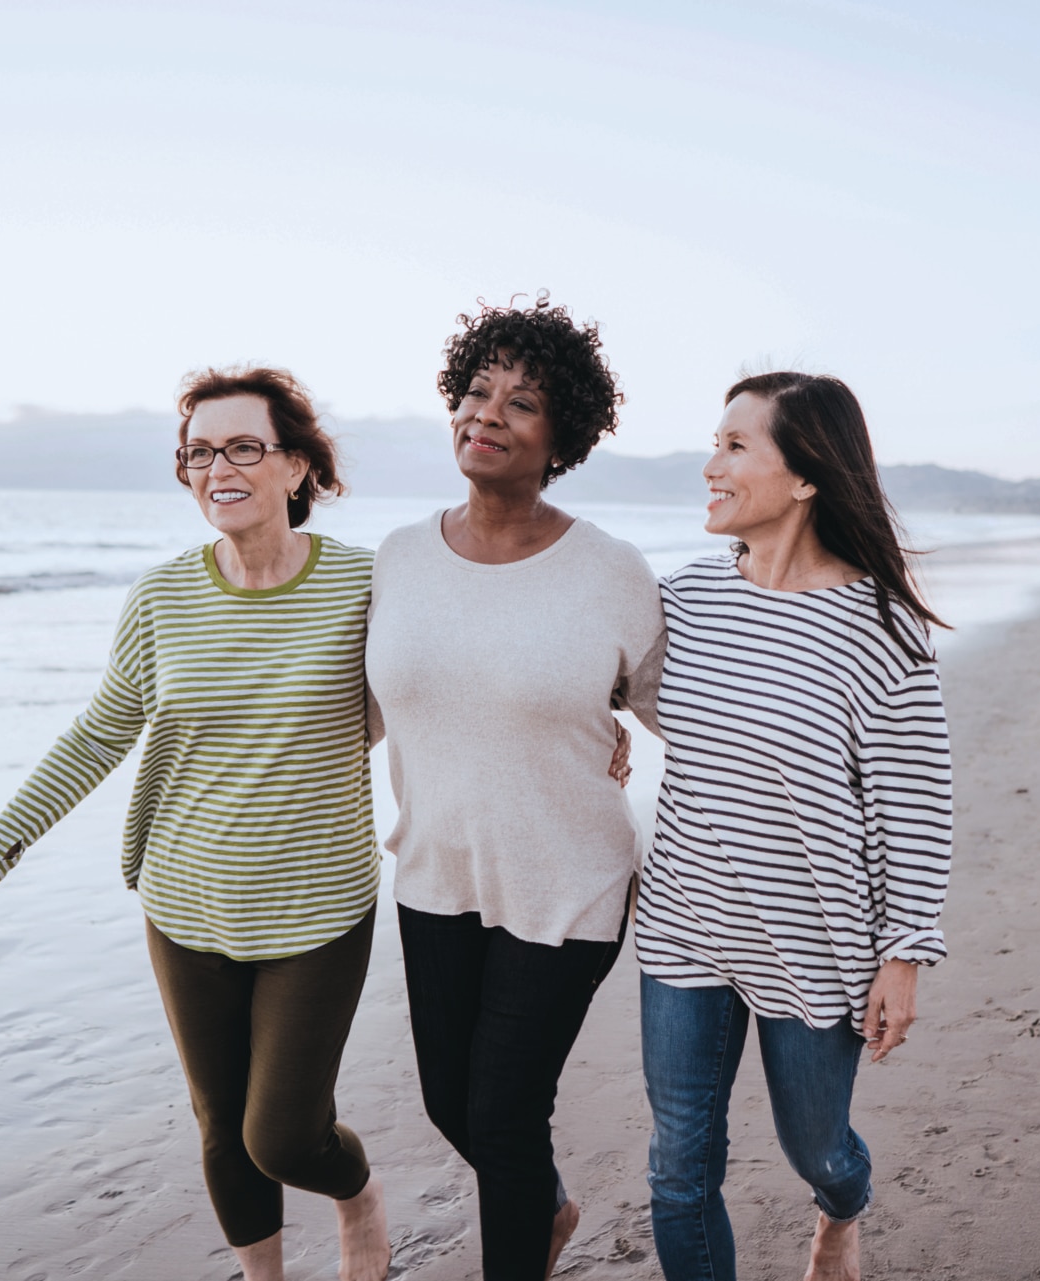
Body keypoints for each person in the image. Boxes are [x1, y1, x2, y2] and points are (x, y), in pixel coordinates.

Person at [0, 366, 391, 1281]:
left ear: (297, 467)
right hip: (185, 903)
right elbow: (99, 732)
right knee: (222, 1128)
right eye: (198, 452)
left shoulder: (370, 586)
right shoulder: (162, 598)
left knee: (283, 1135)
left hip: (317, 906)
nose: (219, 467)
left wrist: (596, 722)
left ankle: (359, 1194)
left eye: (243, 446)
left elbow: (461, 676)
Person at [365, 295, 667, 1281]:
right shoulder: (399, 559)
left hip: (568, 877)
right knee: (449, 1106)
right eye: (476, 391)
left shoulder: (610, 572)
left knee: (500, 1116)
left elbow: (679, 712)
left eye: (521, 402)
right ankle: (546, 1208)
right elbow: (360, 711)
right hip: (434, 871)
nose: (486, 413)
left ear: (561, 436)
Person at [635, 372, 953, 1281]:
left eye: (736, 447)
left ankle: (841, 1209)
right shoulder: (686, 599)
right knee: (678, 1167)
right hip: (684, 925)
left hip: (814, 941)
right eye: (716, 443)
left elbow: (917, 808)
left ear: (806, 475)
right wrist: (599, 744)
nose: (711, 466)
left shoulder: (882, 631)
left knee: (817, 1147)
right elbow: (606, 686)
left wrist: (905, 954)